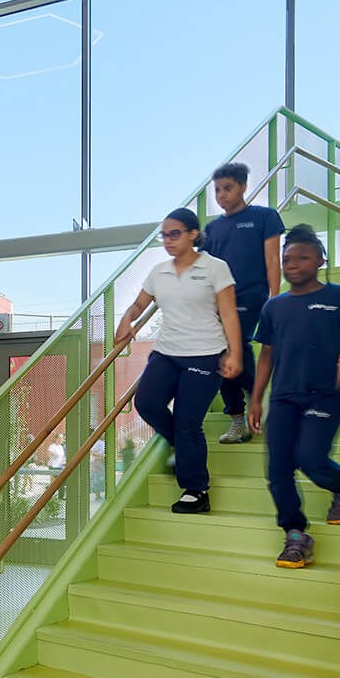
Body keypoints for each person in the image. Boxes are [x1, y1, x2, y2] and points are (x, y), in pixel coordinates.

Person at [250, 225, 340, 569]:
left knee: (311, 458)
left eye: (302, 258)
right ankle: (295, 535)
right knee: (277, 469)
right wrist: (256, 399)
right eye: (287, 259)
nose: (292, 264)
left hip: (327, 394)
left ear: (320, 260)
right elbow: (266, 356)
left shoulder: (339, 296)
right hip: (284, 398)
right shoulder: (274, 307)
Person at [115, 208, 242, 514]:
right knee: (146, 403)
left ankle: (196, 490)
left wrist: (235, 353)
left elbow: (228, 313)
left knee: (188, 422)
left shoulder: (216, 268)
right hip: (168, 351)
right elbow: (139, 304)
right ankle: (182, 448)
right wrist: (126, 319)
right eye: (164, 235)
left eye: (175, 234)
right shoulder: (159, 272)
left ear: (193, 234)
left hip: (206, 352)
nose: (168, 241)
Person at [203, 162, 284, 446]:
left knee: (234, 346)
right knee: (220, 354)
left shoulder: (264, 217)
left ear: (244, 187)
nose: (221, 195)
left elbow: (273, 259)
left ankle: (255, 397)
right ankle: (239, 415)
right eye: (217, 190)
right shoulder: (212, 229)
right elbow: (205, 270)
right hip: (218, 301)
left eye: (228, 188)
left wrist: (275, 298)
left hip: (251, 295)